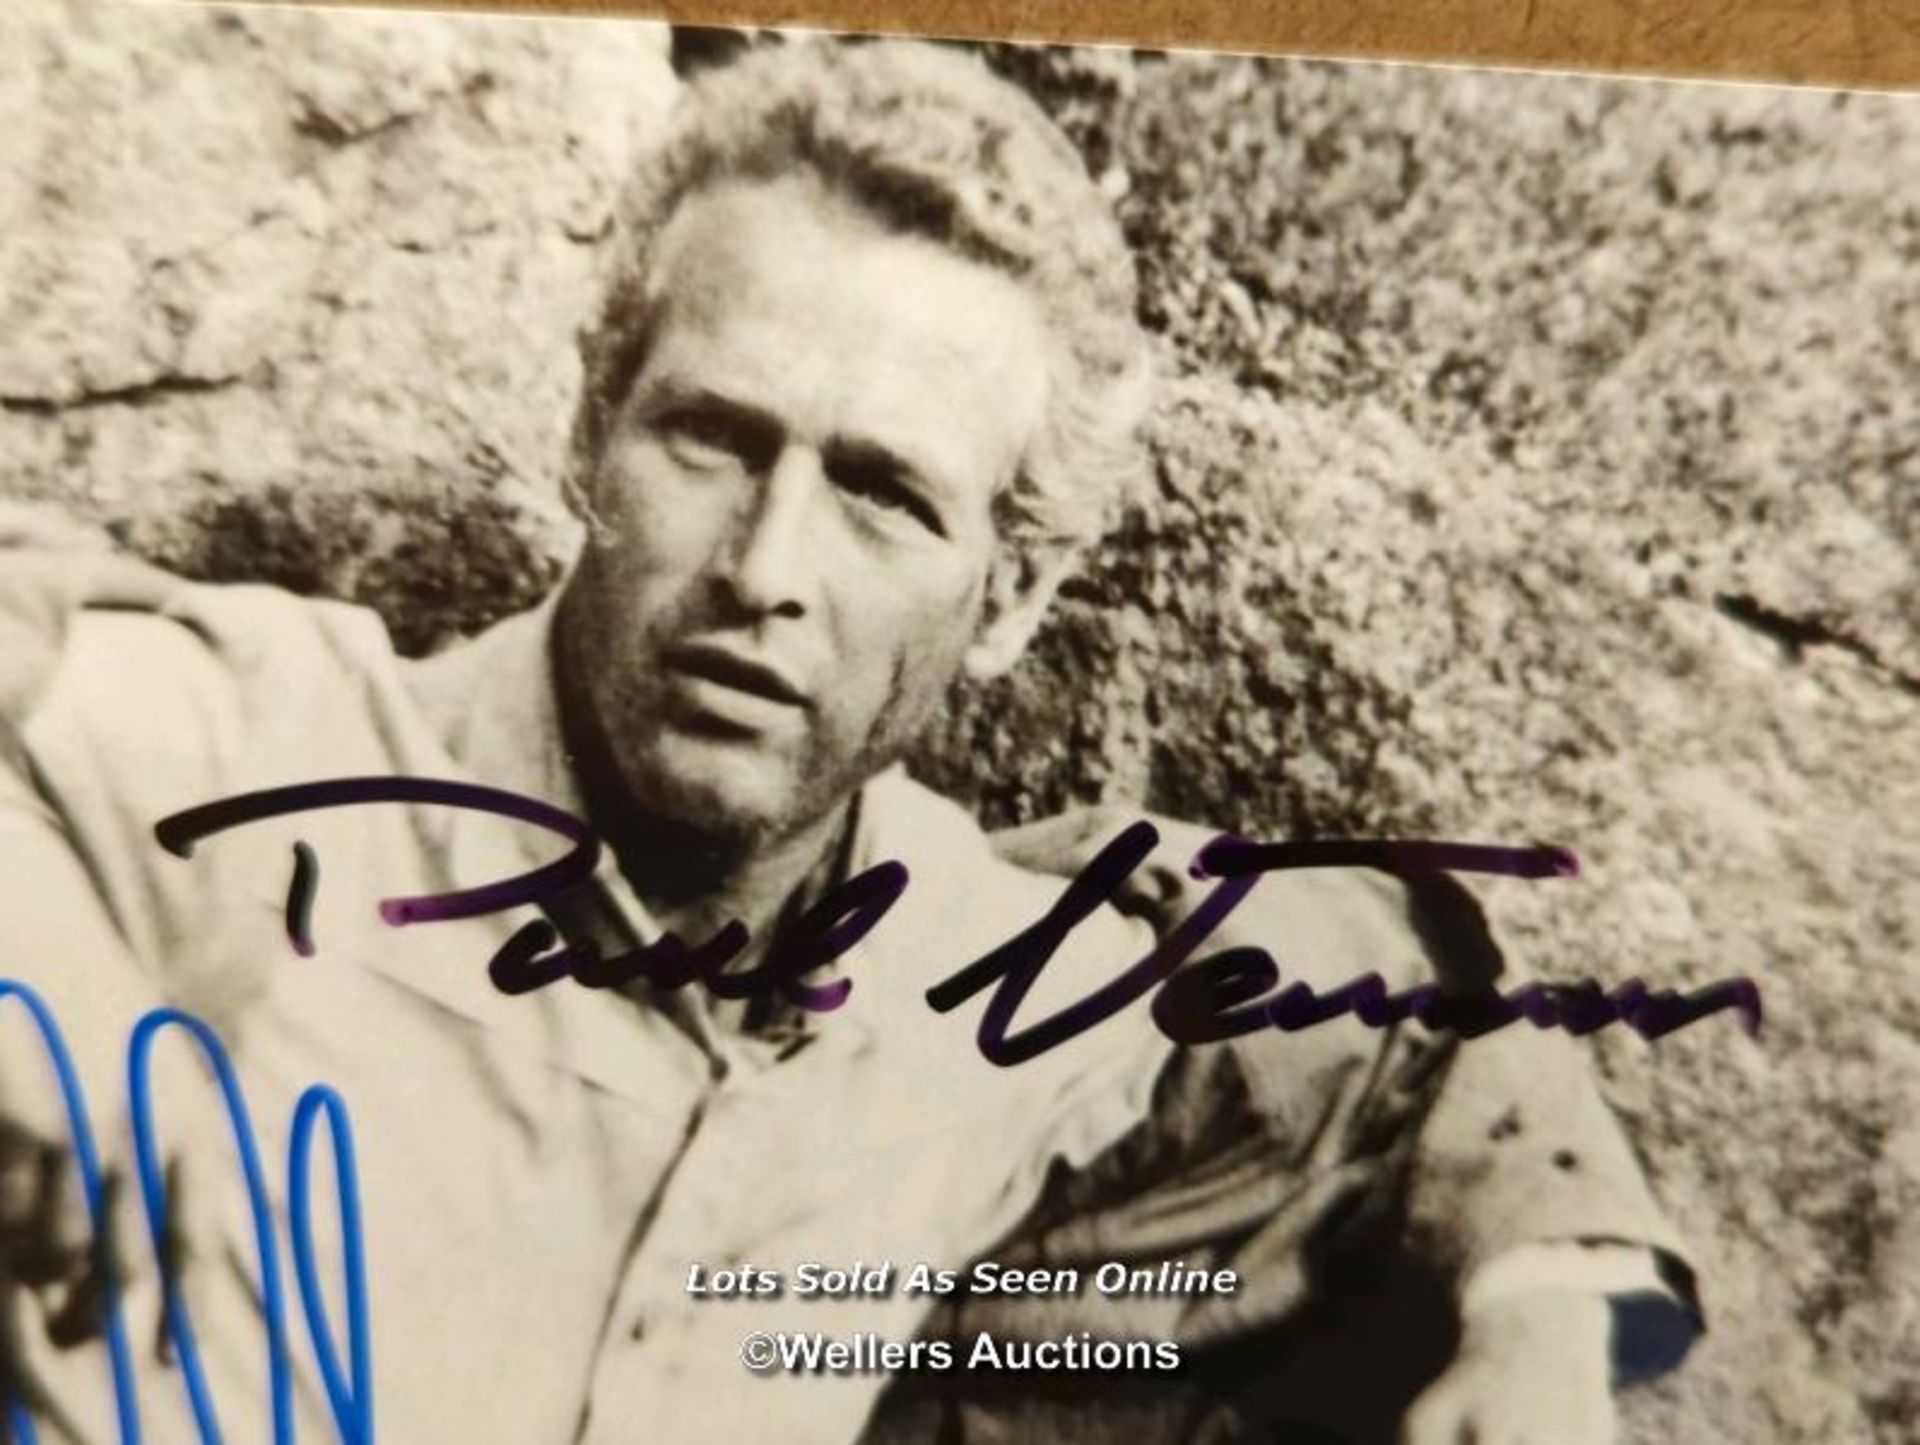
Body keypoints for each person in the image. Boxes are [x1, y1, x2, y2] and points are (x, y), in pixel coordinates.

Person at [0, 37, 1699, 1445]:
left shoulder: (1004, 982)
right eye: (713, 440)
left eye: (883, 494)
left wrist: (1546, 1307)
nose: (765, 570)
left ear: (1015, 592)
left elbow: (1414, 1012)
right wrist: (36, 973)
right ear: (593, 431)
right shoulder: (242, 755)